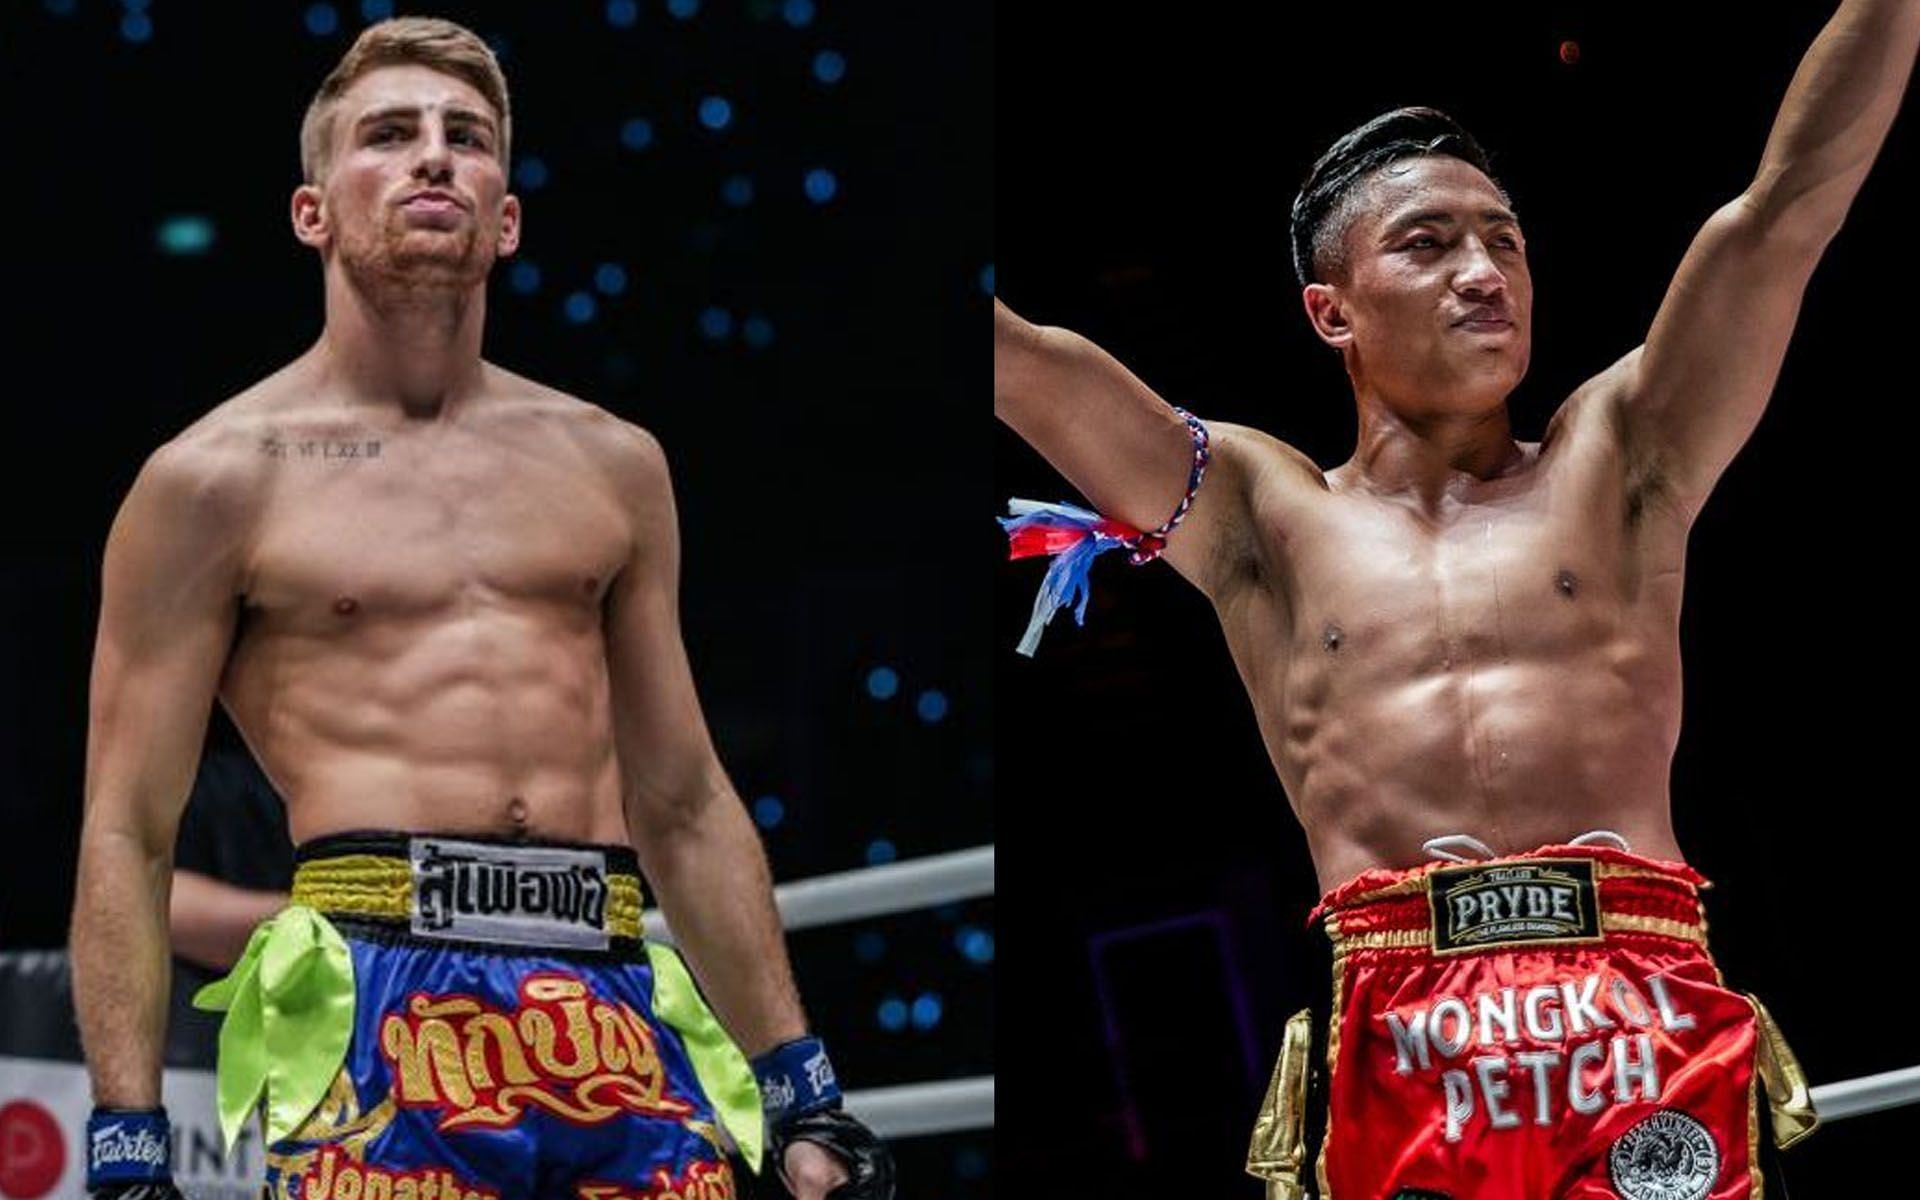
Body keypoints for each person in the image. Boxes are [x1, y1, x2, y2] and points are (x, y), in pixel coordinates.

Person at [996, 3, 1914, 1196]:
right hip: (1401, 1042)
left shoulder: (1623, 454)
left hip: (1645, 1027)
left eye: (1505, 240)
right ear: (1332, 312)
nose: (1484, 273)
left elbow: (1787, 209)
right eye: (1429, 244)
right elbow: (1017, 361)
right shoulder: (1265, 517)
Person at [70, 17, 891, 1200]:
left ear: (505, 217)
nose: (434, 157)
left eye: (468, 136)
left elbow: (684, 799)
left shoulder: (614, 465)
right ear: (313, 211)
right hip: (375, 998)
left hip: (608, 992)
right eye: (389, 134)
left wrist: (805, 1090)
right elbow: (127, 828)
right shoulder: (209, 482)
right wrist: (127, 1138)